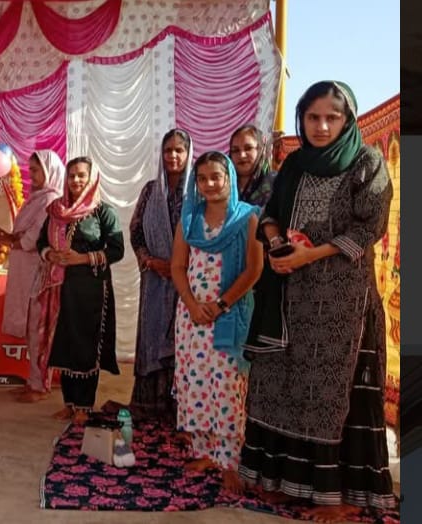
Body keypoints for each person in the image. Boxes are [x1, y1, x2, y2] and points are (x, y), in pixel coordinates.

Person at [238, 81, 396, 521]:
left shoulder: (367, 163)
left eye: (332, 117)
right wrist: (276, 243)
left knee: (336, 392)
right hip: (290, 299)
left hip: (343, 303)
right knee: (281, 383)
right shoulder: (294, 164)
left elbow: (369, 228)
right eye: (313, 117)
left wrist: (310, 254)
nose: (322, 126)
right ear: (302, 119)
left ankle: (340, 496)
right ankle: (285, 482)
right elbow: (269, 215)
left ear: (348, 120)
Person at [169, 151, 262, 493]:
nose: (208, 184)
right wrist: (193, 305)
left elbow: (254, 269)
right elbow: (178, 266)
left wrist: (221, 304)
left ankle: (230, 461)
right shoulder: (190, 218)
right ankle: (205, 451)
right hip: (192, 317)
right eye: (202, 178)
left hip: (229, 315)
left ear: (229, 178)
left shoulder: (247, 218)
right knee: (195, 382)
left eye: (215, 177)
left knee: (226, 387)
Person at [36, 156, 123, 423]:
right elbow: (41, 242)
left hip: (91, 290)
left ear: (91, 178)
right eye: (72, 175)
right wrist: (51, 254)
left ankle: (84, 406)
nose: (76, 180)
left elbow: (117, 250)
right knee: (65, 344)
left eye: (81, 175)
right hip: (60, 288)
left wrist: (82, 258)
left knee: (86, 345)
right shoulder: (56, 210)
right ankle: (69, 403)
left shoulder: (102, 211)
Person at [128, 129, 193, 421]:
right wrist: (151, 261)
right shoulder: (151, 190)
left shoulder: (198, 192)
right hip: (154, 278)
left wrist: (179, 265)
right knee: (152, 334)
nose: (173, 156)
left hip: (188, 280)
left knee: (183, 339)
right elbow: (136, 231)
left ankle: (181, 410)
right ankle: (148, 405)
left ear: (189, 153)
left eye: (179, 150)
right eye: (168, 150)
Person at [0, 150, 65, 404]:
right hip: (26, 270)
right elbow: (24, 234)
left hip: (39, 272)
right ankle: (33, 380)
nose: (30, 175)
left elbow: (33, 238)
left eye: (35, 170)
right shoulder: (37, 198)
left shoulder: (50, 199)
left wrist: (12, 241)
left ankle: (40, 385)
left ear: (49, 171)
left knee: (37, 330)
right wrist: (9, 238)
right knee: (31, 329)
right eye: (30, 169)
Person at [228, 124, 277, 208]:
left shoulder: (276, 182)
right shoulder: (222, 185)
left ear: (260, 150)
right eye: (235, 150)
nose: (242, 155)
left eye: (248, 148)